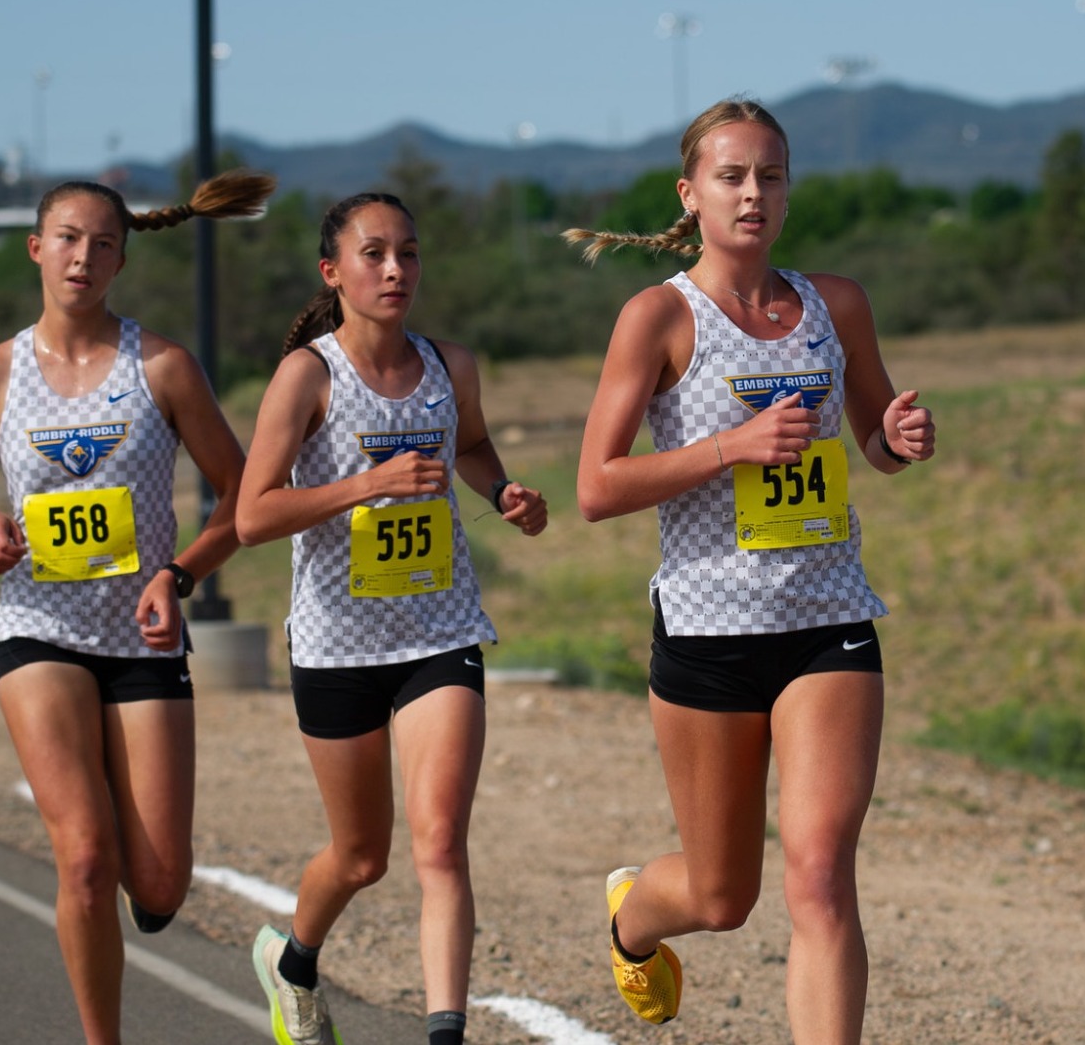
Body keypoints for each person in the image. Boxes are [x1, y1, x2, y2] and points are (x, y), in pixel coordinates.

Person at [562, 98, 936, 1043]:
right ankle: (632, 921)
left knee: (820, 876)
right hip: (708, 634)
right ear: (690, 197)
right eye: (731, 177)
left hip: (828, 622)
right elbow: (597, 488)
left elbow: (875, 442)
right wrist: (730, 446)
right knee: (723, 894)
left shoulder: (833, 304)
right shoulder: (656, 318)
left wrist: (895, 439)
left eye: (770, 175)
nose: (753, 194)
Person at [0, 170, 271, 1045]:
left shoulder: (163, 368)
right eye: (68, 238)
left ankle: (133, 857)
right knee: (84, 856)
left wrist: (177, 575)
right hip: (39, 633)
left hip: (142, 640)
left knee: (158, 883)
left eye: (103, 243)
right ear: (37, 248)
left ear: (121, 259)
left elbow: (243, 500)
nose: (84, 256)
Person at [234, 192, 548, 1045]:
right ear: (333, 272)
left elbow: (471, 444)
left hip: (439, 632)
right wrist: (365, 485)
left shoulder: (451, 364)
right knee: (362, 857)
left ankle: (446, 1033)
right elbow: (253, 516)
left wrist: (502, 490)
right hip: (336, 643)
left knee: (439, 841)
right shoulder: (309, 375)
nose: (396, 270)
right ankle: (292, 959)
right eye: (374, 255)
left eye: (408, 253)